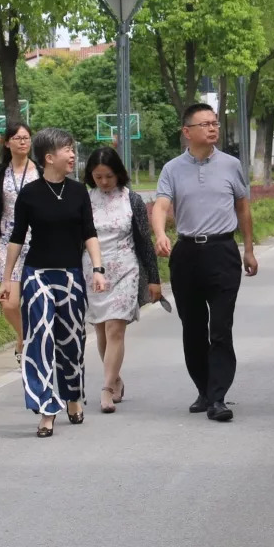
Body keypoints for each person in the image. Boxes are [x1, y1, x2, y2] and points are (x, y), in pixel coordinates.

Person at [152, 102, 258, 422]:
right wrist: (159, 233)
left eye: (215, 123)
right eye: (205, 124)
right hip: (186, 255)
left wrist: (249, 249)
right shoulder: (172, 168)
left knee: (220, 328)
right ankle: (204, 389)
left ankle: (219, 397)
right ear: (187, 132)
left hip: (222, 251)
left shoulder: (230, 165)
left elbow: (243, 208)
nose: (213, 128)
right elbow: (160, 206)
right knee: (193, 329)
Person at [0, 128, 107, 438]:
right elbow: (16, 238)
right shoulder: (30, 194)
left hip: (71, 276)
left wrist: (97, 269)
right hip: (37, 276)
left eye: (73, 149)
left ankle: (72, 395)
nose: (73, 155)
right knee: (40, 341)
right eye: (66, 150)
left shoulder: (78, 192)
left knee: (71, 342)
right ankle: (47, 409)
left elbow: (89, 232)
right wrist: (8, 279)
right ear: (49, 157)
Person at [82, 146, 163, 414]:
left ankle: (105, 388)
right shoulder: (84, 200)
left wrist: (154, 278)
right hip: (93, 270)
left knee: (116, 328)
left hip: (126, 268)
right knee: (102, 330)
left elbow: (143, 241)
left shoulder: (133, 200)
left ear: (119, 174)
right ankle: (114, 377)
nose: (104, 182)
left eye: (108, 176)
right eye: (98, 177)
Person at [0, 121, 35, 362]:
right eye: (18, 138)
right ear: (7, 143)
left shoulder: (40, 170)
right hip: (8, 242)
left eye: (26, 137)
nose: (23, 142)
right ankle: (25, 336)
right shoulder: (0, 172)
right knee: (9, 303)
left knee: (33, 299)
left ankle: (30, 342)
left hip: (37, 241)